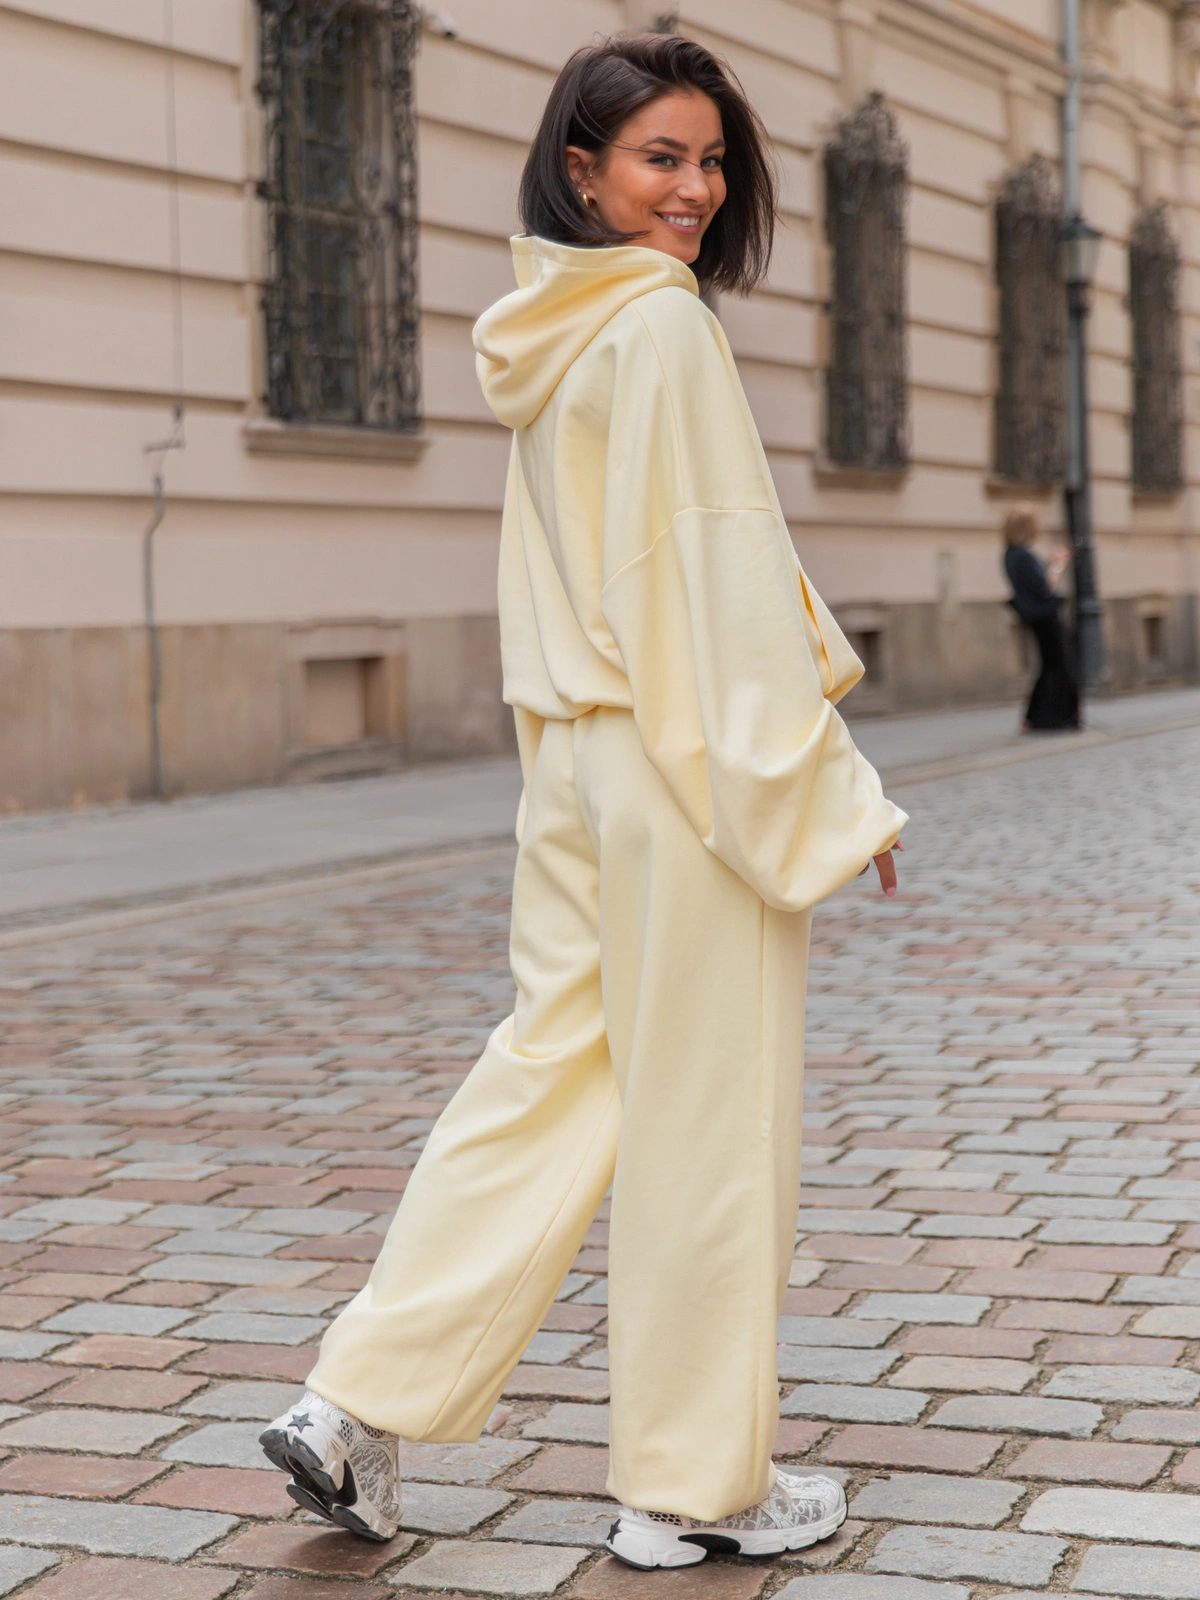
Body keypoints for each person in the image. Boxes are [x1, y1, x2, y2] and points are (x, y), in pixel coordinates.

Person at [260, 34, 906, 1569]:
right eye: (661, 158)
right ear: (583, 170)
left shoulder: (551, 330)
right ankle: (692, 1485)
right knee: (709, 1114)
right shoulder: (662, 327)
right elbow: (711, 576)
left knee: (548, 1078)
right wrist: (825, 791)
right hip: (680, 768)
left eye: (711, 160)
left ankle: (355, 1404)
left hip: (574, 763)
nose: (697, 189)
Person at [1003, 506, 1081, 731]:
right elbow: (1045, 585)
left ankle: (1036, 716)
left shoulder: (1011, 554)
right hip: (1045, 615)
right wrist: (1058, 564)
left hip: (1035, 615)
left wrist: (1049, 562)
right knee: (1060, 663)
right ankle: (1055, 716)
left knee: (1050, 664)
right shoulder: (1022, 554)